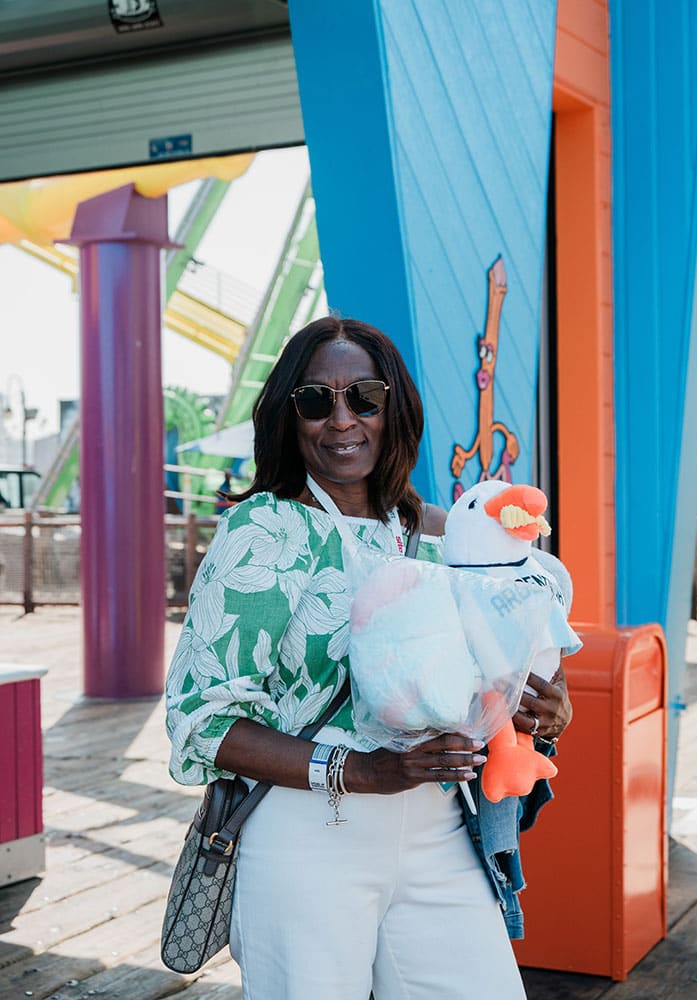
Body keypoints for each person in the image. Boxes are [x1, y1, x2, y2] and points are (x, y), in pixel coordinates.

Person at [165, 316, 573, 1000]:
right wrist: (361, 770)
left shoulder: (446, 537)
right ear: (289, 415)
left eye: (364, 397)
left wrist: (547, 711)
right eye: (315, 400)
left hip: (443, 827)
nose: (341, 419)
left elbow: (512, 663)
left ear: (395, 409)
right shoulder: (264, 531)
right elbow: (201, 722)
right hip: (308, 833)